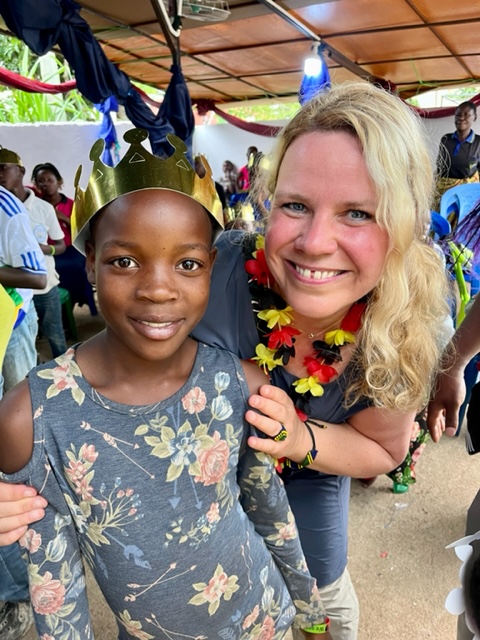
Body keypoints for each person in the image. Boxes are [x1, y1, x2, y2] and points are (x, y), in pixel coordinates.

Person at [0, 82, 452, 640]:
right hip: (179, 512)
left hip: (309, 493)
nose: (315, 242)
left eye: (357, 212)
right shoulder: (208, 270)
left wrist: (296, 438)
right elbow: (93, 378)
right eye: (296, 205)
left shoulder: (404, 320)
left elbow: (384, 450)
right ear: (268, 203)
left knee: (325, 597)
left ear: (402, 225)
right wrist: (21, 469)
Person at [0, 130, 329, 640]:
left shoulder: (238, 382)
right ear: (90, 263)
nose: (157, 288)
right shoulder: (35, 417)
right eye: (124, 261)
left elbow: (270, 511)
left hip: (266, 618)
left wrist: (310, 614)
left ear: (210, 268)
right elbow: (56, 591)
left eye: (187, 263)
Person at [0, 185, 47, 640]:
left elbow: (38, 276)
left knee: (18, 431)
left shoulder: (6, 208)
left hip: (10, 321)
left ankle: (19, 591)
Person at [0, 148, 67, 359]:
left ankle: (64, 370)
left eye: (3, 168)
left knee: (54, 334)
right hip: (16, 294)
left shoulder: (43, 208)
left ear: (20, 171)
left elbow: (61, 245)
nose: (0, 174)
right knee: (28, 342)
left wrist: (47, 249)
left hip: (44, 287)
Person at [31, 162, 97, 316]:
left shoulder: (71, 204)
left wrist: (64, 218)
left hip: (70, 248)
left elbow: (83, 231)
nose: (46, 184)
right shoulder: (35, 205)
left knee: (75, 267)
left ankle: (72, 303)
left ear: (59, 182)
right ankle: (55, 309)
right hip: (45, 250)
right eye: (41, 181)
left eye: (50, 180)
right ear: (36, 185)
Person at [435, 101, 480, 216]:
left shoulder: (478, 142)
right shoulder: (446, 139)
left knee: (462, 222)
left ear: (475, 117)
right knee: (442, 221)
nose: (461, 118)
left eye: (466, 115)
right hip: (444, 193)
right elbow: (440, 166)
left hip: (466, 196)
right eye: (458, 115)